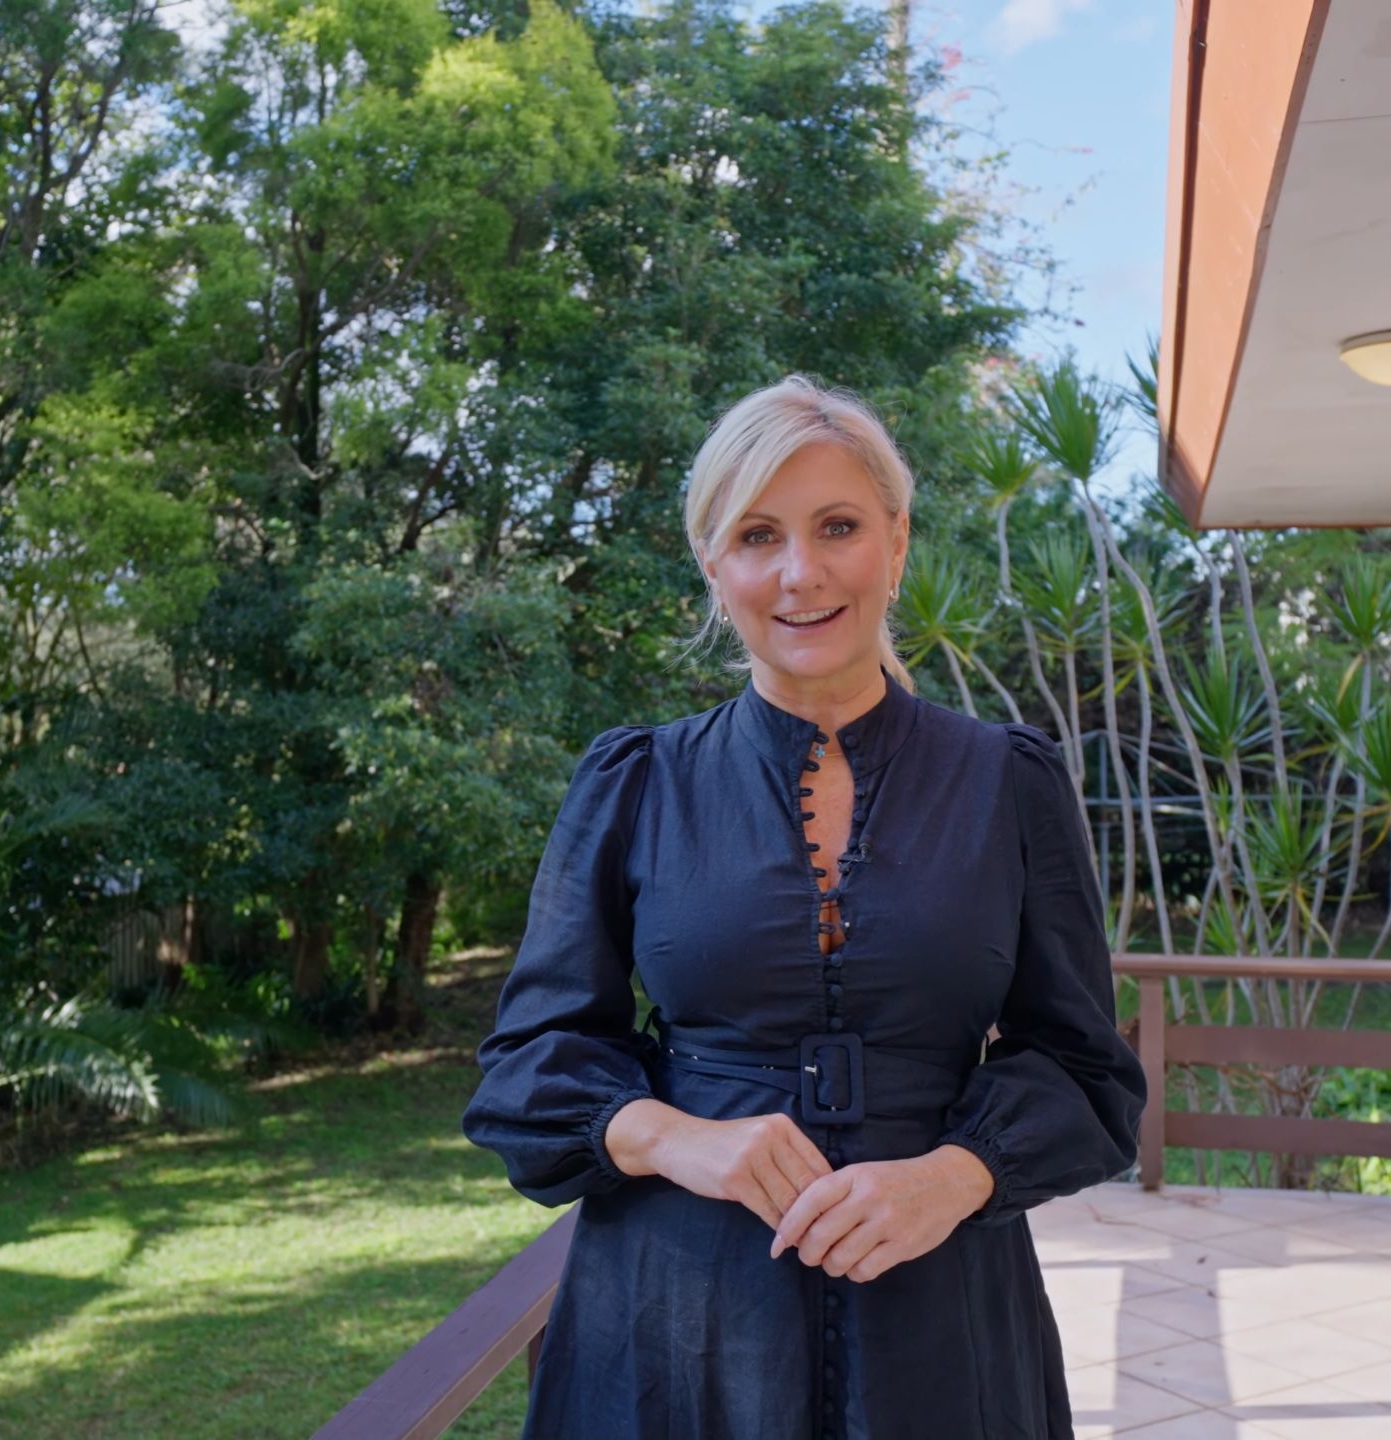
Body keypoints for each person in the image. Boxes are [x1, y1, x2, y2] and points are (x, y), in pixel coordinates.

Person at [461, 374, 1149, 1439]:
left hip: (941, 1318)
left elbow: (1087, 1069)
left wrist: (959, 1175)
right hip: (676, 1323)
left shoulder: (1008, 781)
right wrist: (675, 1139)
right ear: (713, 564)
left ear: (896, 543)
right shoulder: (637, 783)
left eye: (837, 527)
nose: (800, 573)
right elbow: (525, 1067)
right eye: (757, 536)